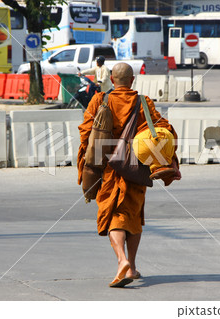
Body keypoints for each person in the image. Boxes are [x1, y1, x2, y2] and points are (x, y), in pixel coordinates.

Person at [77, 62, 181, 288]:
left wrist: (88, 163)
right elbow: (162, 131)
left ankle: (123, 262)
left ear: (112, 80)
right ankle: (131, 266)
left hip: (108, 168)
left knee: (113, 213)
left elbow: (86, 133)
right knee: (132, 216)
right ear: (132, 81)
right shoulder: (143, 102)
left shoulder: (100, 100)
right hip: (136, 167)